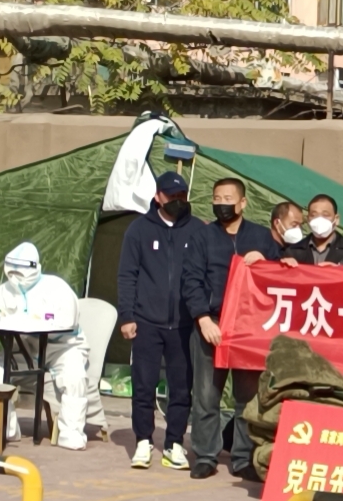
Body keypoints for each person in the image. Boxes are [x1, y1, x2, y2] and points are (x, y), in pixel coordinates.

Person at [182, 178, 279, 480]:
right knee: (206, 395)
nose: (222, 203)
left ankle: (243, 458)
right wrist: (202, 318)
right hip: (211, 325)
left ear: (243, 203)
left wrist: (265, 262)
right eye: (217, 198)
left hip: (249, 329)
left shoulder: (261, 237)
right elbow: (191, 279)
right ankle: (205, 456)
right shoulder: (202, 236)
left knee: (246, 398)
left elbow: (281, 276)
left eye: (228, 198)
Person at [0, 243, 96, 452]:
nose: (15, 276)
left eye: (21, 271)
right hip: (23, 348)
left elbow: (68, 321)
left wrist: (36, 321)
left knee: (74, 377)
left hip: (62, 348)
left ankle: (71, 432)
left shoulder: (57, 288)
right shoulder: (4, 290)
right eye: (12, 271)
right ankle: (4, 426)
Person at [116, 170, 196, 471]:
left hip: (184, 325)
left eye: (181, 195)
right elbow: (127, 275)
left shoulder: (196, 230)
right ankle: (143, 441)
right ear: (157, 197)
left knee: (181, 388)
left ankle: (174, 443)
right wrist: (127, 316)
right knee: (144, 385)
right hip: (147, 322)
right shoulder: (139, 229)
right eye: (170, 195)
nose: (176, 200)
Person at [282, 194, 343, 266]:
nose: (319, 219)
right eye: (314, 215)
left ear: (336, 219)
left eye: (326, 215)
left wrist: (339, 272)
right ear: (308, 219)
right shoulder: (293, 252)